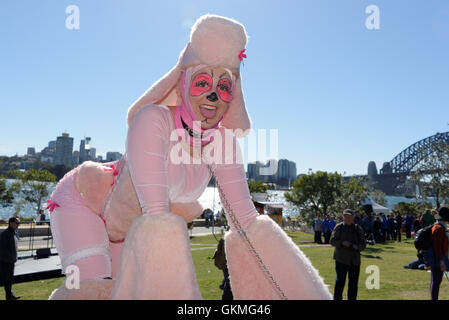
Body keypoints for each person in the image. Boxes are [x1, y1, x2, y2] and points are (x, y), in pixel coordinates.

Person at [47, 14, 332, 300]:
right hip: (85, 202)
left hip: (131, 225)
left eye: (223, 87)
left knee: (124, 291)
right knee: (94, 287)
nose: (212, 96)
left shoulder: (223, 142)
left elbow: (246, 223)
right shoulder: (153, 121)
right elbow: (157, 218)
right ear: (183, 85)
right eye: (202, 83)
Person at [330, 209, 366, 300]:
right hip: (341, 260)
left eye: (349, 216)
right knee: (339, 282)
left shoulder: (358, 228)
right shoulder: (339, 227)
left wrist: (357, 247)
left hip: (354, 261)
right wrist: (342, 243)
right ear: (343, 217)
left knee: (353, 284)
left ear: (353, 217)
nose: (347, 218)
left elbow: (363, 244)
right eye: (345, 216)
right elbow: (332, 241)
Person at [429, 207, 449, 300]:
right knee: (437, 280)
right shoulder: (439, 228)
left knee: (434, 280)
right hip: (439, 258)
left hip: (437, 257)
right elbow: (438, 247)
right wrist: (442, 261)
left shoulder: (437, 226)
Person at [0, 217, 20, 300]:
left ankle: (10, 296)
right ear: (11, 223)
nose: (18, 225)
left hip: (10, 261)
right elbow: (1, 248)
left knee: (9, 280)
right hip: (5, 262)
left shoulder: (13, 233)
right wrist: (10, 257)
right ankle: (9, 296)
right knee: (6, 280)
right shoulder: (6, 234)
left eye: (19, 223)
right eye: (17, 223)